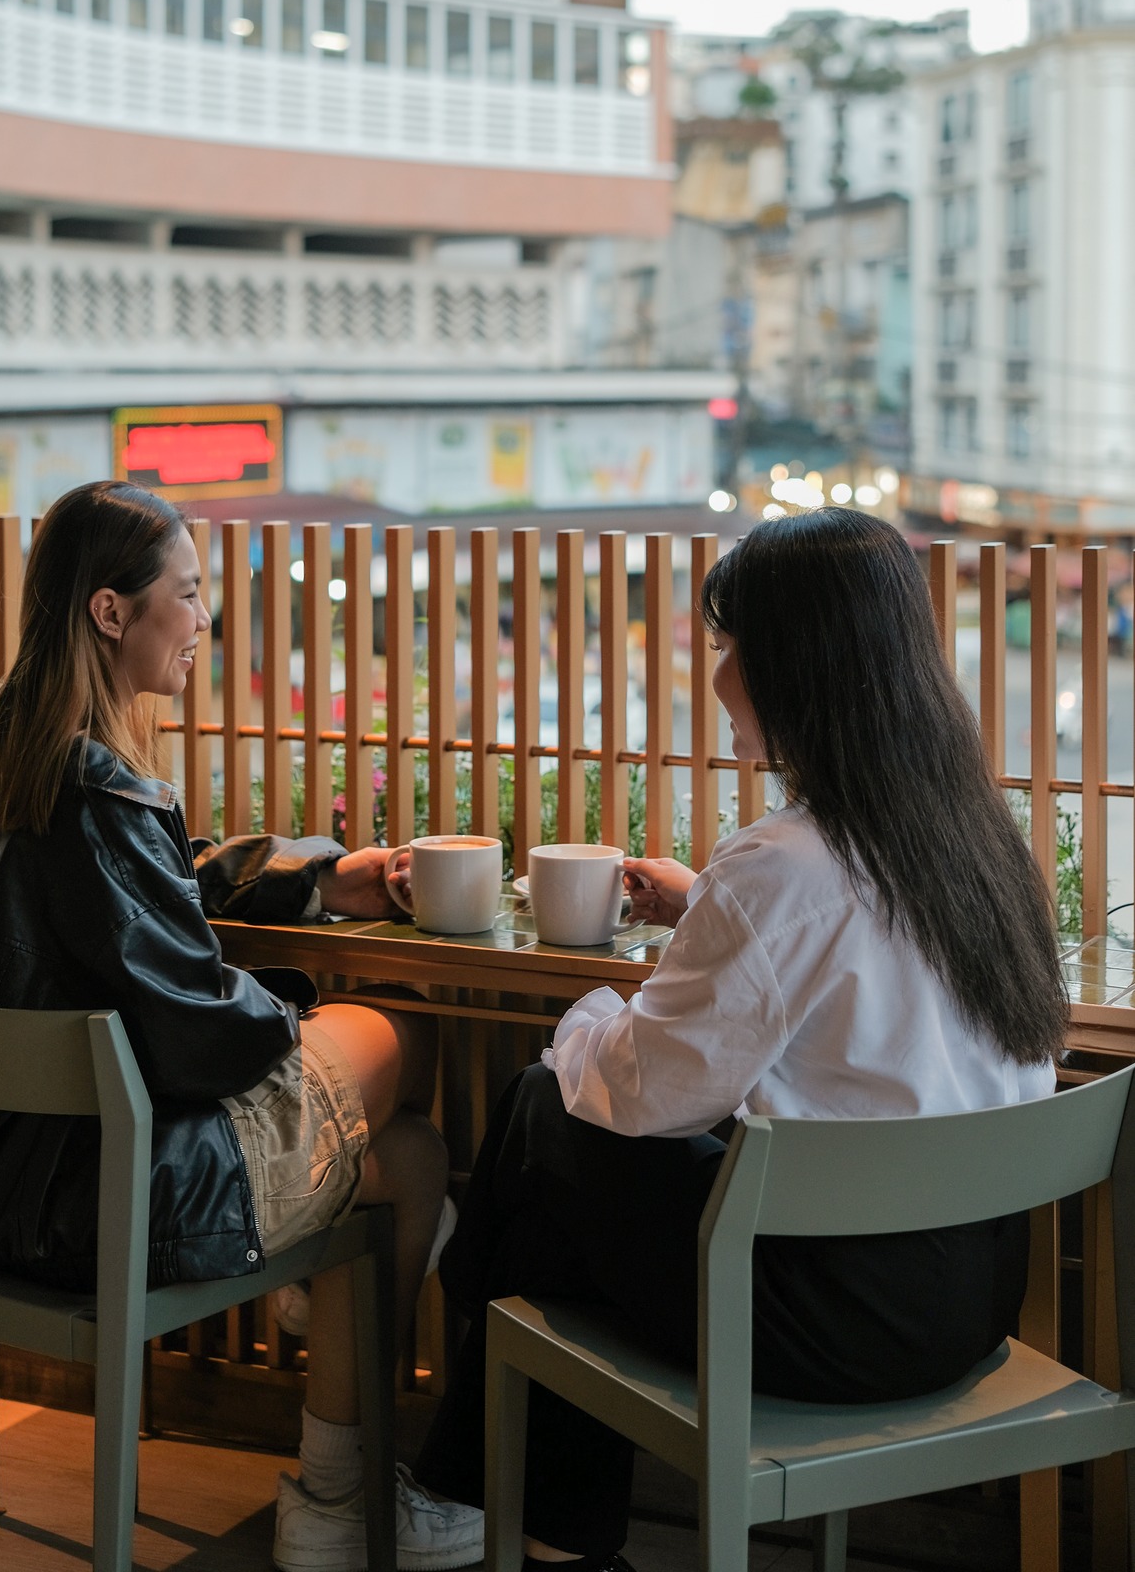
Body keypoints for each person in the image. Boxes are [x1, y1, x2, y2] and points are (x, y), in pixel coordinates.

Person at [416, 507, 1069, 1572]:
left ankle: (486, 1486)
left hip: (833, 1323)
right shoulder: (976, 838)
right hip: (971, 1299)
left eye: (730, 647)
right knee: (563, 1212)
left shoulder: (781, 867)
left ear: (796, 664)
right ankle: (515, 1523)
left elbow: (644, 1094)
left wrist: (588, 1010)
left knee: (546, 1112)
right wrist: (713, 912)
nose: (715, 674)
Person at [0, 480, 482, 1572]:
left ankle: (333, 1502)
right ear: (114, 612)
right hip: (96, 1203)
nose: (203, 619)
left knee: (409, 1156)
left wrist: (315, 880)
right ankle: (339, 1487)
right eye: (189, 593)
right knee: (400, 1032)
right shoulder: (101, 785)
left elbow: (151, 883)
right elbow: (199, 1029)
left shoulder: (6, 748)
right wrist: (303, 1007)